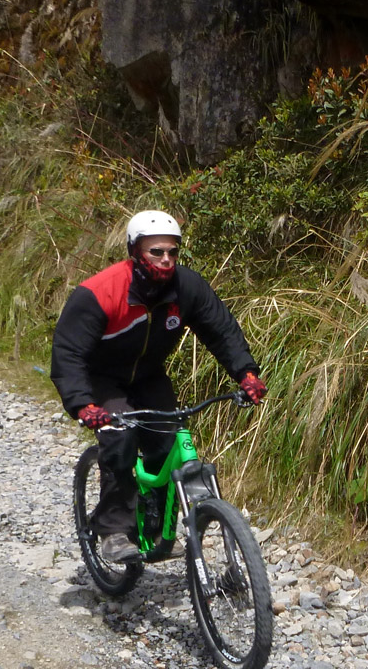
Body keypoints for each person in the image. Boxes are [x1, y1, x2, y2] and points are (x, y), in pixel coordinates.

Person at [49, 209, 264, 563]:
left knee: (169, 442)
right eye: (156, 252)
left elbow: (221, 330)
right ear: (135, 251)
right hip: (101, 377)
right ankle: (114, 529)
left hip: (148, 375)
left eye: (173, 252)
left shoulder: (186, 287)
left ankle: (154, 526)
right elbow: (68, 352)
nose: (166, 260)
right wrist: (82, 403)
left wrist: (246, 374)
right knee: (120, 437)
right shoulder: (100, 292)